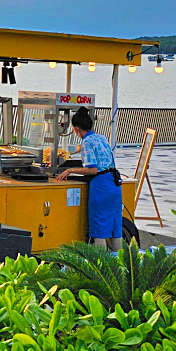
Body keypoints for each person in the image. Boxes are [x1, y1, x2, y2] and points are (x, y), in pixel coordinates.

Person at [55, 107, 123, 251]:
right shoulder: (102, 138)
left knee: (99, 230)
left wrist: (70, 170)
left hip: (102, 186)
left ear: (76, 129)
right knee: (115, 229)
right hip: (115, 185)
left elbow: (92, 169)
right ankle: (119, 265)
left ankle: (101, 267)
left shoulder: (86, 142)